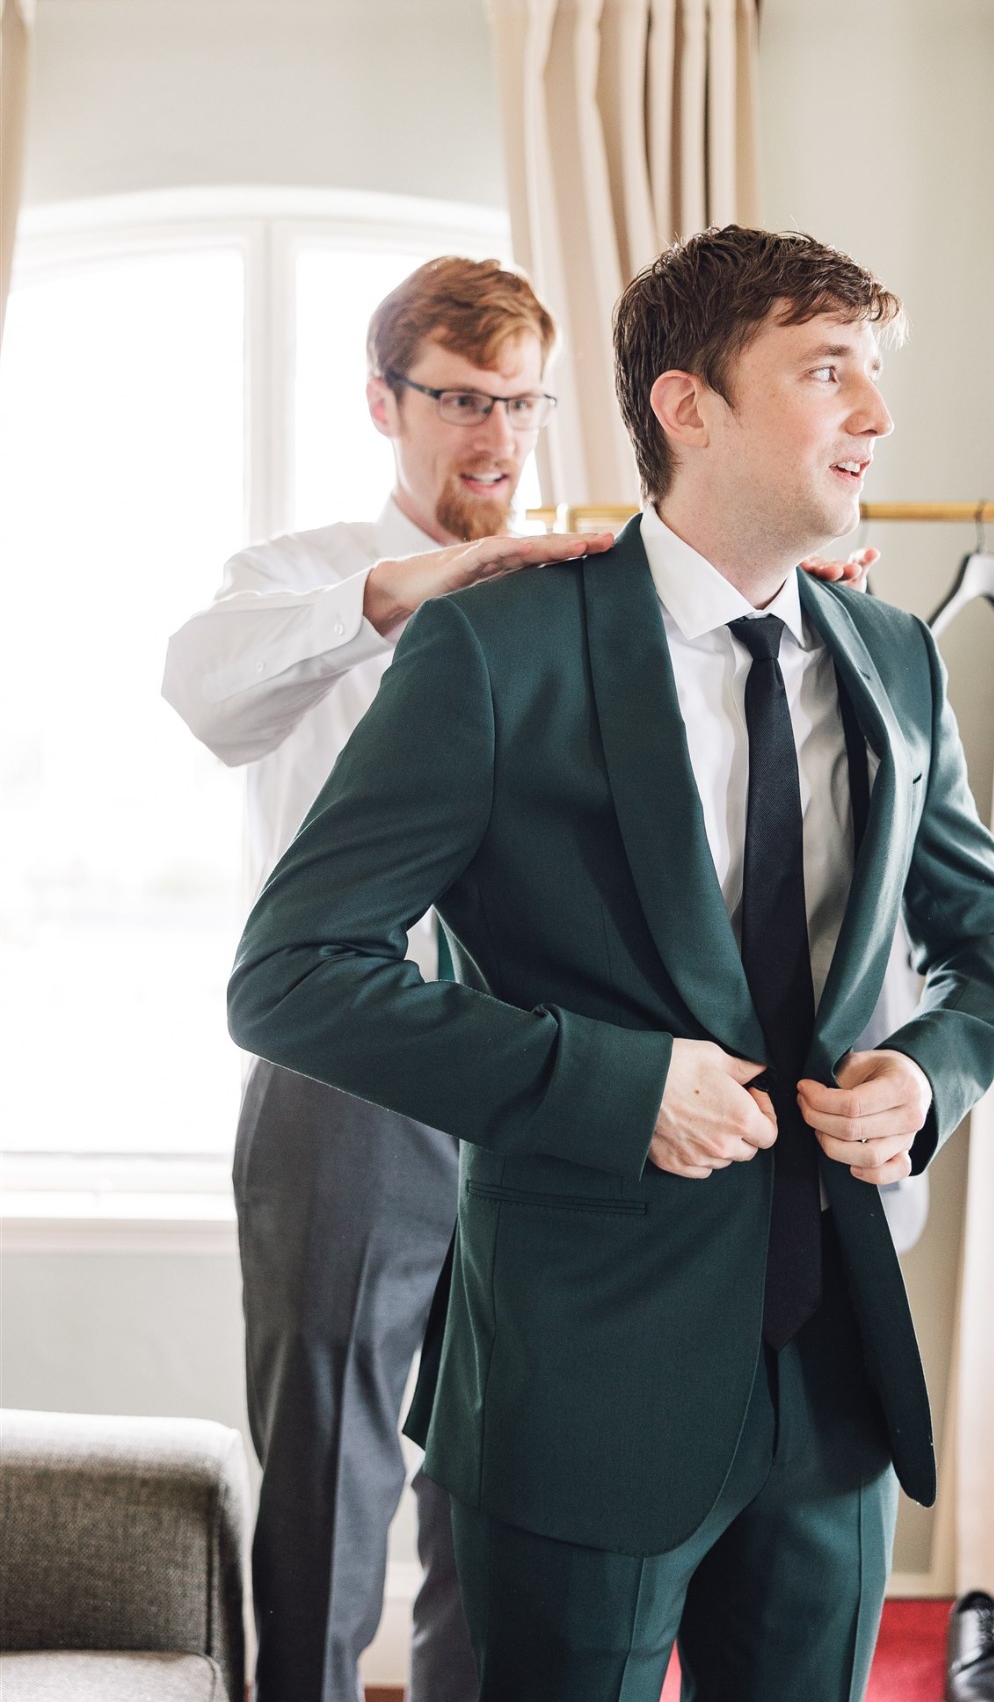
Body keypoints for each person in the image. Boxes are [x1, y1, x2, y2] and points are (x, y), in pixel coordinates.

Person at [227, 225, 994, 1701]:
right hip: (580, 1379)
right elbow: (288, 972)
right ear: (688, 406)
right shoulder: (494, 649)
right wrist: (611, 1083)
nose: (877, 415)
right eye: (828, 372)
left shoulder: (893, 657)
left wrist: (929, 1076)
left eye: (876, 376)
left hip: (835, 1385)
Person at [162, 256, 617, 1702]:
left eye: (525, 403)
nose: (500, 436)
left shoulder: (575, 596)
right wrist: (427, 585)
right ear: (385, 401)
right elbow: (206, 689)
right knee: (326, 1456)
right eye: (469, 401)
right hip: (344, 1073)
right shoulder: (294, 580)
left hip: (526, 1071)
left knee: (501, 1454)